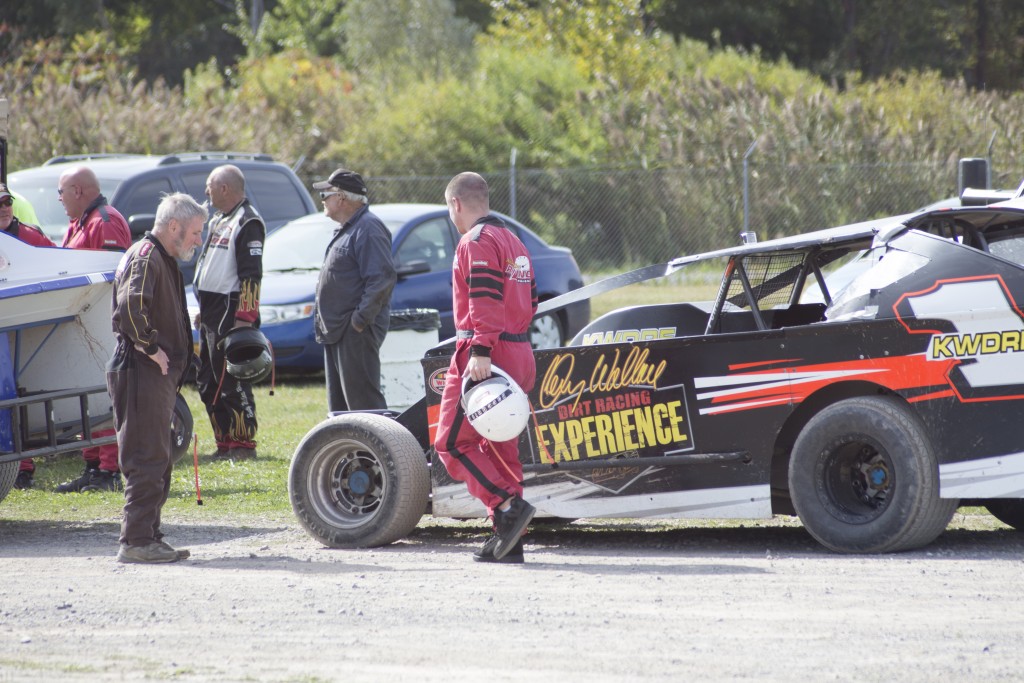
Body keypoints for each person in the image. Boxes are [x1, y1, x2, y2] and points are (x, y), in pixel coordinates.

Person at [433, 172, 539, 564]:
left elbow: (484, 300)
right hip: (519, 350)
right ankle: (510, 540)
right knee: (500, 449)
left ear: (456, 204)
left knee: (450, 443)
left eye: (449, 209)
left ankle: (507, 507)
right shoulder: (515, 241)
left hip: (485, 353)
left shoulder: (475, 241)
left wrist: (480, 350)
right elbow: (532, 300)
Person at [108, 192, 205, 564]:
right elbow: (131, 307)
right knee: (146, 457)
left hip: (154, 375)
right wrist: (151, 347)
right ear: (175, 226)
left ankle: (148, 536)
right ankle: (135, 542)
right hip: (140, 370)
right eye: (195, 232)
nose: (198, 239)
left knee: (158, 457)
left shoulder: (160, 258)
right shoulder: (147, 256)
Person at [54, 166, 132, 493]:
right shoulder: (79, 223)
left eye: (61, 193)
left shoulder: (105, 221)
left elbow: (111, 277)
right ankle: (91, 465)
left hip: (102, 325)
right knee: (86, 396)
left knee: (104, 397)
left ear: (78, 191)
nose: (60, 200)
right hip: (81, 325)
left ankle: (108, 471)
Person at [193, 165, 264, 459]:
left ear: (224, 188)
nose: (206, 192)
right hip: (210, 311)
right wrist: (201, 308)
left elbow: (251, 276)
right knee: (207, 382)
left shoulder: (248, 221)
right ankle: (223, 442)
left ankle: (243, 444)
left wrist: (243, 320)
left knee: (231, 381)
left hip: (230, 312)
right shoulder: (220, 220)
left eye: (209, 186)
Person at [312, 168, 396, 412]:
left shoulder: (369, 228)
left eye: (325, 195)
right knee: (340, 409)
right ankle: (349, 451)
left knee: (365, 407)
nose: (323, 201)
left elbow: (382, 279)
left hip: (355, 333)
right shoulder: (352, 227)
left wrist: (359, 321)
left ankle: (377, 451)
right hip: (339, 332)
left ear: (341, 197)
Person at [0, 183, 56, 490]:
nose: (5, 207)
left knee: (22, 396)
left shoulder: (31, 236)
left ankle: (25, 466)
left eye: (8, 201)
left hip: (28, 331)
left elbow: (59, 265)